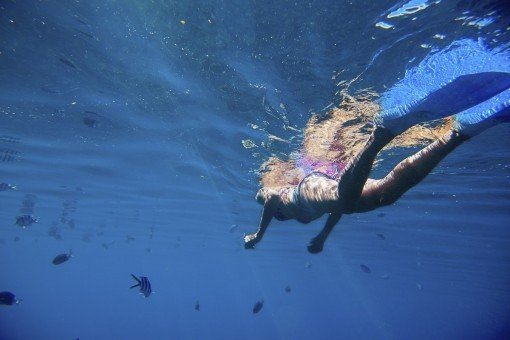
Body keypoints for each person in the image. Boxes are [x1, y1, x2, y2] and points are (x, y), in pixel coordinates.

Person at [244, 39, 510, 254]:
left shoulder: (276, 199)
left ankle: (381, 133)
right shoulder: (298, 217)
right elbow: (334, 209)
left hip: (308, 188)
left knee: (342, 200)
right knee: (385, 195)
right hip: (330, 188)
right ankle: (457, 135)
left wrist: (258, 235)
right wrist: (322, 236)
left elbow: (268, 197)